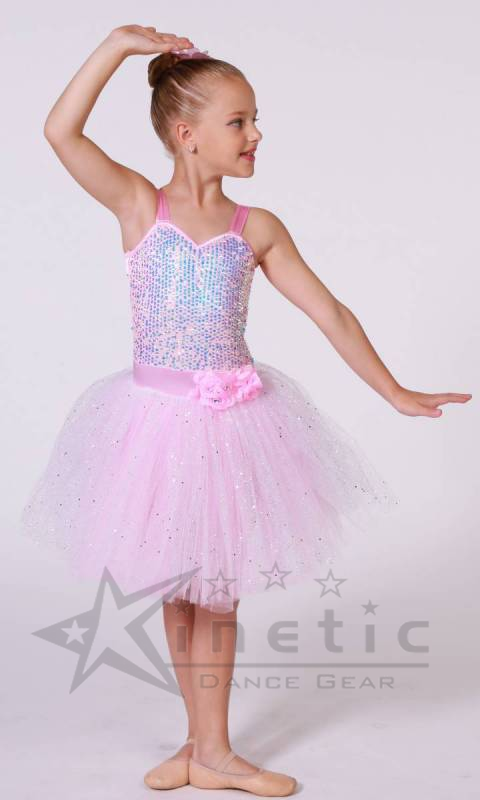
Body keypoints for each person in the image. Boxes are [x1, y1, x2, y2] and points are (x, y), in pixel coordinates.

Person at [20, 24, 472, 796]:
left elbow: (330, 313)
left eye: (256, 120)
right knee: (176, 591)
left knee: (218, 595)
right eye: (239, 121)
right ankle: (199, 745)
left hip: (231, 428)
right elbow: (60, 131)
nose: (256, 134)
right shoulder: (139, 206)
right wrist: (116, 47)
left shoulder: (254, 228)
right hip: (155, 428)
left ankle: (218, 750)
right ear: (186, 134)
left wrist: (394, 390)